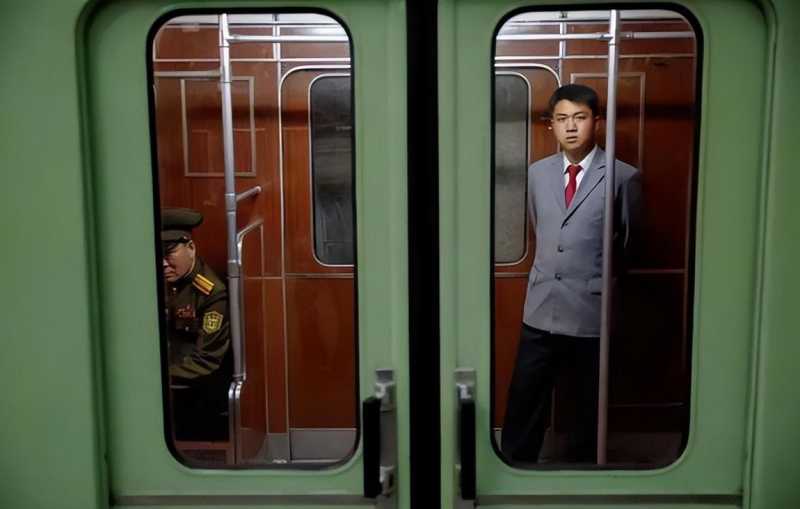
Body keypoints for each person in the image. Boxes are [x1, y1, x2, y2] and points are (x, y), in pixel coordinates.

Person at [501, 84, 641, 463]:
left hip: (590, 311)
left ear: (596, 121)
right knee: (525, 397)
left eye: (580, 117)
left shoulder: (622, 176)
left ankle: (581, 474)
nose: (571, 127)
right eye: (562, 119)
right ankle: (515, 469)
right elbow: (542, 228)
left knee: (585, 404)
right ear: (551, 125)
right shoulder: (537, 173)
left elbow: (628, 244)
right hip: (541, 306)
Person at [161, 207, 232, 441]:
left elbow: (207, 360)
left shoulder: (210, 293)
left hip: (193, 393)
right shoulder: (158, 281)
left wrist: (157, 375)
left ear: (191, 248)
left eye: (169, 254)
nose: (163, 264)